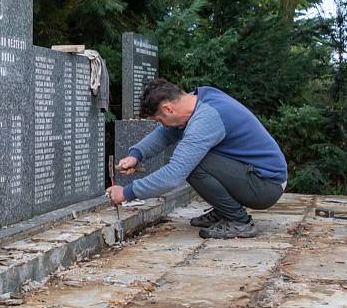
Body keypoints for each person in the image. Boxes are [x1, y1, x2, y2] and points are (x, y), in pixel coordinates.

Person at [106, 79, 287, 238]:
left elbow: (174, 174)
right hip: (256, 175)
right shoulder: (197, 100)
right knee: (194, 158)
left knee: (193, 164)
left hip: (266, 186)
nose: (161, 125)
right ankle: (225, 211)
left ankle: (239, 221)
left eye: (159, 119)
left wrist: (127, 193)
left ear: (168, 108)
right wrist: (136, 155)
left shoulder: (206, 119)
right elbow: (165, 134)